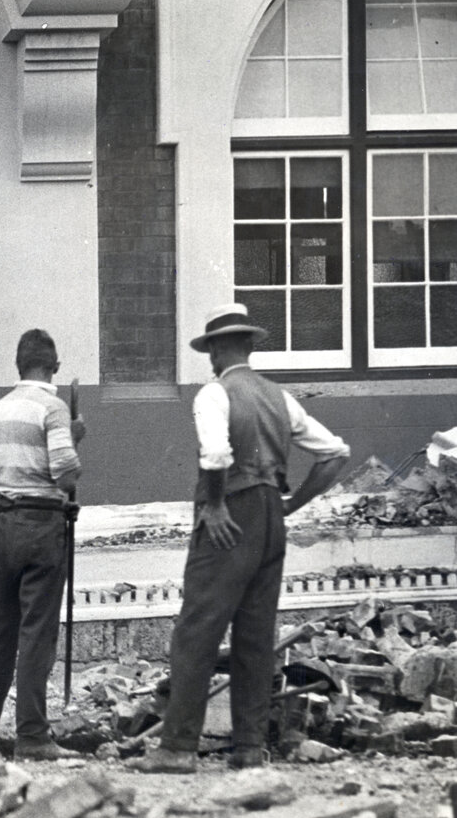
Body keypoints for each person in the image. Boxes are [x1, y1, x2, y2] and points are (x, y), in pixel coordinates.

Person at [136, 303, 350, 773]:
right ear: (250, 345)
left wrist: (213, 505)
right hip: (272, 516)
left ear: (214, 348)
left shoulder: (214, 394)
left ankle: (177, 748)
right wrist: (292, 504)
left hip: (229, 515)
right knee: (256, 636)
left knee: (196, 632)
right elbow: (335, 454)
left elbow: (215, 455)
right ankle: (249, 748)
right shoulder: (280, 397)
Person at [0, 329, 85, 760]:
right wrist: (75, 438)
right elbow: (66, 474)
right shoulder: (53, 408)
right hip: (41, 526)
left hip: (2, 523)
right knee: (37, 632)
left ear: (18, 367)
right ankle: (33, 736)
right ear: (53, 367)